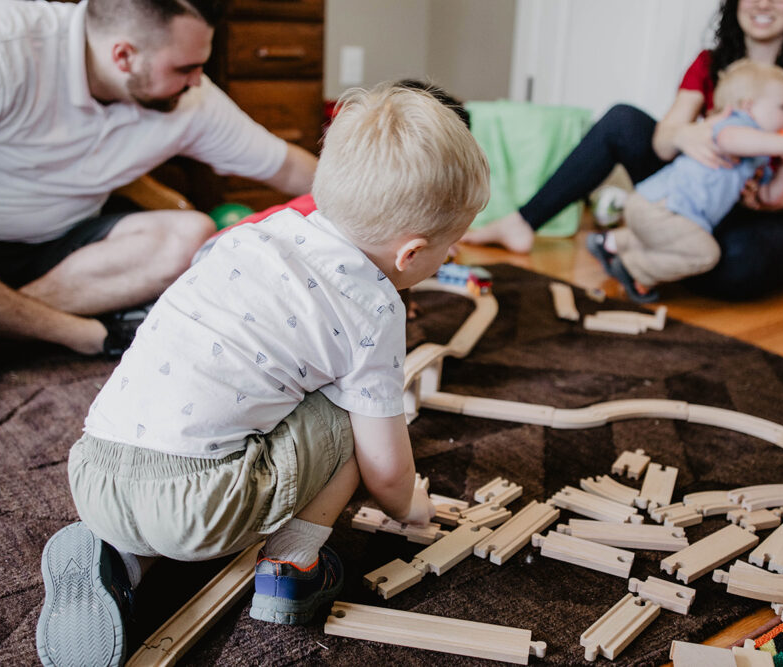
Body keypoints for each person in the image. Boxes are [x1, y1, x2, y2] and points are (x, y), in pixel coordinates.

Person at [35, 83, 490, 666]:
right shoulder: (374, 304)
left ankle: (116, 559)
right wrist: (410, 508)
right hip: (199, 505)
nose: (448, 260)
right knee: (354, 412)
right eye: (448, 250)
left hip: (96, 466)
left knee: (205, 429)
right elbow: (385, 466)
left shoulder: (248, 235)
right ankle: (292, 566)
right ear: (411, 255)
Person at [0, 0, 317, 358]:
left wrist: (368, 201)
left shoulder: (189, 98)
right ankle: (79, 334)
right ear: (123, 56)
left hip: (64, 248)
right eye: (185, 68)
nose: (198, 81)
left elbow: (287, 167)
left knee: (189, 235)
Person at [462, 0, 783, 301]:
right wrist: (686, 136)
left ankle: (642, 252)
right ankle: (523, 223)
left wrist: (765, 193)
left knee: (738, 265)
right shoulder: (710, 63)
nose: (762, 3)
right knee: (622, 120)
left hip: (757, 214)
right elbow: (663, 141)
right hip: (694, 198)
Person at [588, 59, 783, 303]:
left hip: (658, 210)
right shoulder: (734, 123)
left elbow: (771, 196)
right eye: (782, 108)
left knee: (672, 240)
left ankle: (611, 242)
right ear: (748, 106)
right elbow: (730, 140)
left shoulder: (761, 154)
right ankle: (633, 268)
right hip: (664, 207)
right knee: (706, 254)